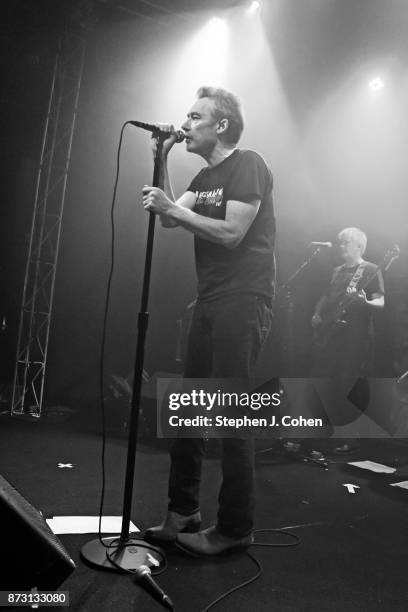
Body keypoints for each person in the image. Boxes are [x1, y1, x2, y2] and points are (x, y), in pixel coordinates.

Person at [141, 86, 276, 555]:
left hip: (244, 298)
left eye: (194, 115)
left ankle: (236, 529)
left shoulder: (249, 164)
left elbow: (233, 233)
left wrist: (170, 207)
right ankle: (183, 510)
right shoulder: (202, 177)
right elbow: (172, 220)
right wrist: (162, 157)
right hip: (209, 299)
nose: (186, 122)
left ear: (221, 125)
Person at [310, 227, 385, 452]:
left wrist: (365, 303)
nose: (341, 247)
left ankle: (348, 439)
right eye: (340, 243)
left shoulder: (370, 270)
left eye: (346, 243)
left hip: (355, 339)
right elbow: (325, 296)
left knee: (348, 385)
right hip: (331, 336)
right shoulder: (336, 271)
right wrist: (316, 314)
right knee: (321, 382)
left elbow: (380, 302)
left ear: (359, 246)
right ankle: (320, 434)